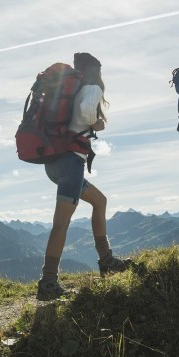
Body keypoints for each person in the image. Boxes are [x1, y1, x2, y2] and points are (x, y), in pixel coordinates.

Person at [37, 52, 131, 300]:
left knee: (100, 201)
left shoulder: (71, 87)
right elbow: (86, 112)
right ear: (96, 70)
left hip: (55, 163)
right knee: (61, 224)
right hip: (71, 163)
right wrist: (96, 123)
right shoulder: (91, 87)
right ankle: (48, 281)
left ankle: (107, 260)